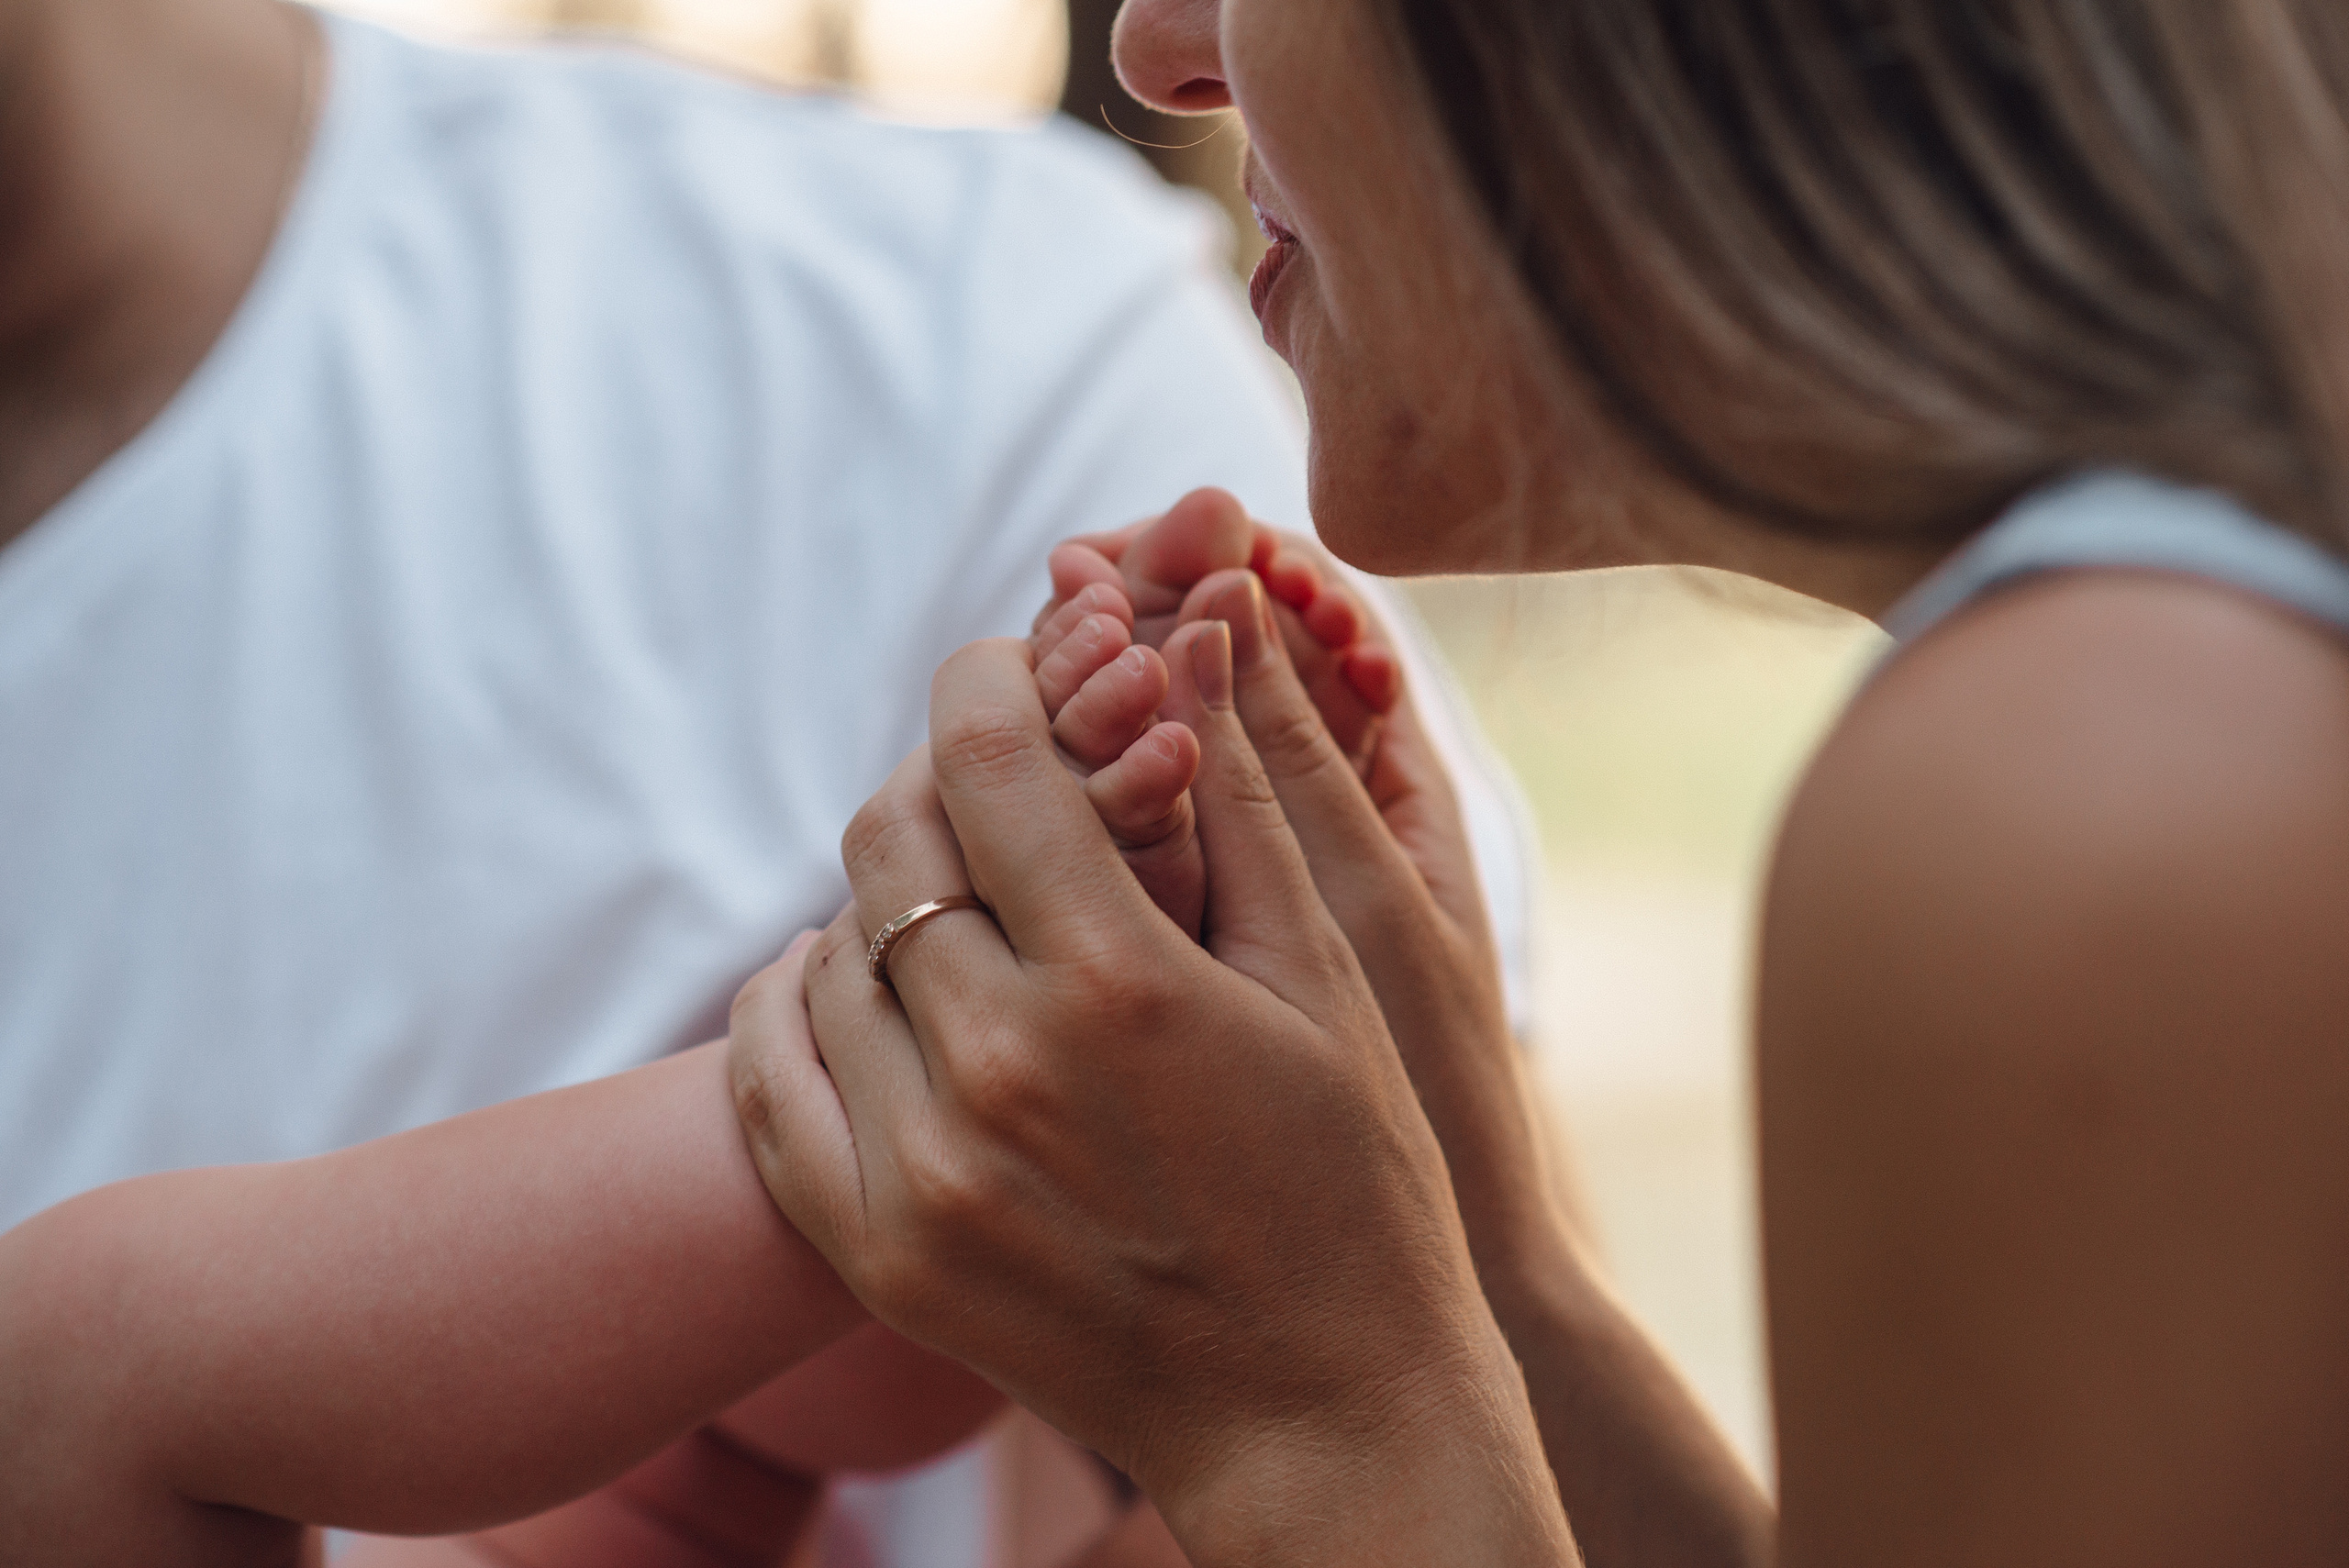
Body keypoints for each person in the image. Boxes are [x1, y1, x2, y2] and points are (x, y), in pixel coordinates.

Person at [731, 0, 2349, 1563]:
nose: (1158, 57)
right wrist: (1473, 1255)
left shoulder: (2106, 784)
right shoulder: (2187, 676)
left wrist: (1301, 1407)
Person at [0, 0, 1539, 1561]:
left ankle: (950, 1056)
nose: (1163, 41)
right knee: (76, 1360)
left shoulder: (950, 310)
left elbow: (1459, 1343)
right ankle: (950, 1049)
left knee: (101, 1359)